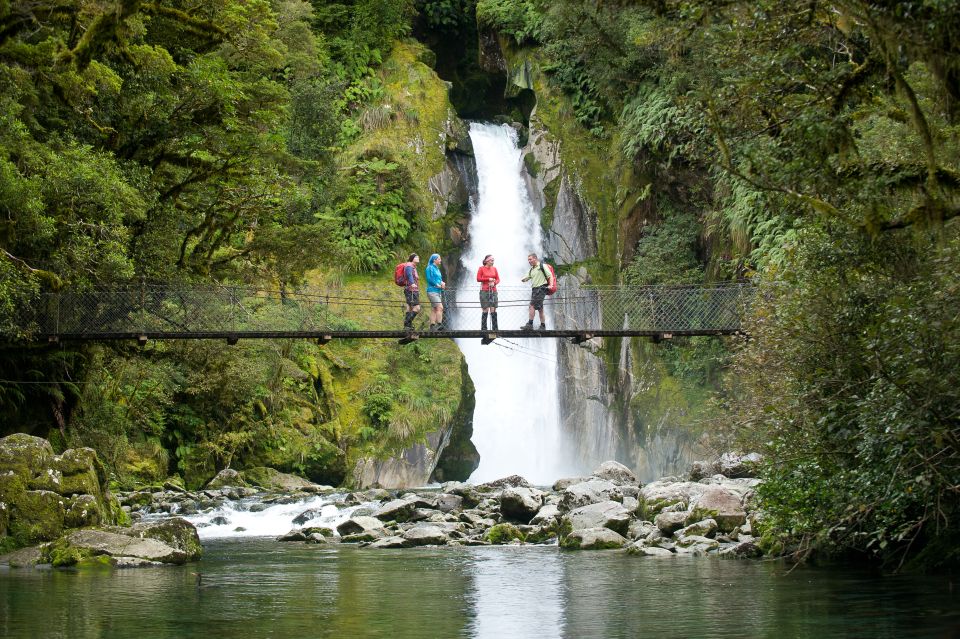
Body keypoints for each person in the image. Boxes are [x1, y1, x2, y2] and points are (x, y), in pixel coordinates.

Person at [520, 252, 553, 331]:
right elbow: (527, 277)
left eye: (530, 259)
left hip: (541, 288)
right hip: (534, 290)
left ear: (535, 258)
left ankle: (530, 324)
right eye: (528, 260)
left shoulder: (542, 266)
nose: (529, 261)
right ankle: (543, 326)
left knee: (531, 306)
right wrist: (523, 279)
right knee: (540, 309)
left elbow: (550, 275)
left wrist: (551, 285)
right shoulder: (532, 270)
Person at [476, 254, 500, 331]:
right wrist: (488, 279)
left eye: (493, 260)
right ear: (487, 261)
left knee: (493, 308)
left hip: (493, 290)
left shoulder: (495, 269)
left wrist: (494, 283)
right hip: (484, 290)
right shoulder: (481, 268)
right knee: (485, 308)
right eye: (491, 260)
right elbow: (478, 279)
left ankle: (495, 328)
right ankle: (484, 328)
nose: (493, 262)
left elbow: (498, 279)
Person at [425, 253, 446, 331]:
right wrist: (437, 284)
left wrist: (442, 283)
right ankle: (439, 325)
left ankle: (432, 326)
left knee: (434, 309)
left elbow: (439, 279)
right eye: (439, 259)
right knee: (440, 307)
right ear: (434, 260)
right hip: (432, 291)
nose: (440, 260)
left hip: (438, 291)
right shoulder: (429, 268)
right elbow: (429, 279)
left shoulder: (437, 269)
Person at [402, 253, 421, 331]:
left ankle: (408, 326)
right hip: (411, 290)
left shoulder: (413, 267)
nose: (418, 258)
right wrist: (412, 283)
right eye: (416, 257)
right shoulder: (409, 266)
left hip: (410, 289)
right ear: (412, 258)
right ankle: (407, 323)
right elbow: (409, 275)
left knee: (409, 307)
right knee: (417, 307)